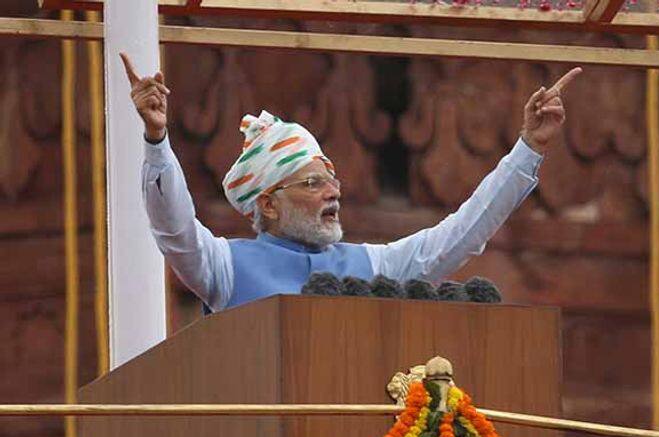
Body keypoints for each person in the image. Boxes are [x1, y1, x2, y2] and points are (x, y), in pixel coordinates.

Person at [121, 52, 581, 313]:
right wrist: (157, 139)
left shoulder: (370, 265)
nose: (333, 191)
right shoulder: (224, 265)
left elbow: (462, 235)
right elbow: (175, 230)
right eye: (314, 182)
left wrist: (528, 149)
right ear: (271, 204)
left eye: (333, 180)